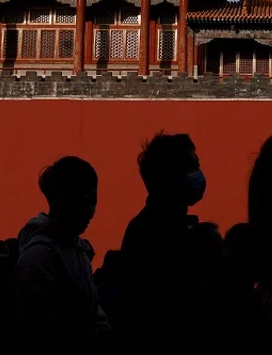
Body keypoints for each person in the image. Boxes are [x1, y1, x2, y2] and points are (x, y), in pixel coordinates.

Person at [116, 133, 209, 346]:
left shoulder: (154, 225)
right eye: (191, 167)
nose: (198, 174)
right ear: (171, 176)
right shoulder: (157, 232)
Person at [14, 156, 107, 351]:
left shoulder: (80, 251)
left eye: (94, 201)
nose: (92, 210)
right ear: (60, 199)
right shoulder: (38, 257)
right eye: (85, 201)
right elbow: (41, 331)